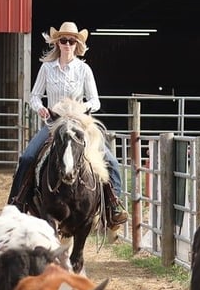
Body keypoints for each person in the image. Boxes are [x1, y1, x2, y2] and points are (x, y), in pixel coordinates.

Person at [7, 21, 128, 226]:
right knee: (27, 157)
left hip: (79, 125)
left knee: (110, 161)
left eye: (71, 41)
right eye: (63, 40)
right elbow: (34, 96)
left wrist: (81, 110)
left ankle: (114, 204)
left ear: (77, 44)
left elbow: (95, 101)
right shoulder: (46, 68)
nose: (67, 44)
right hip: (54, 124)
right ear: (57, 43)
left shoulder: (84, 70)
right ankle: (16, 203)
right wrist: (41, 108)